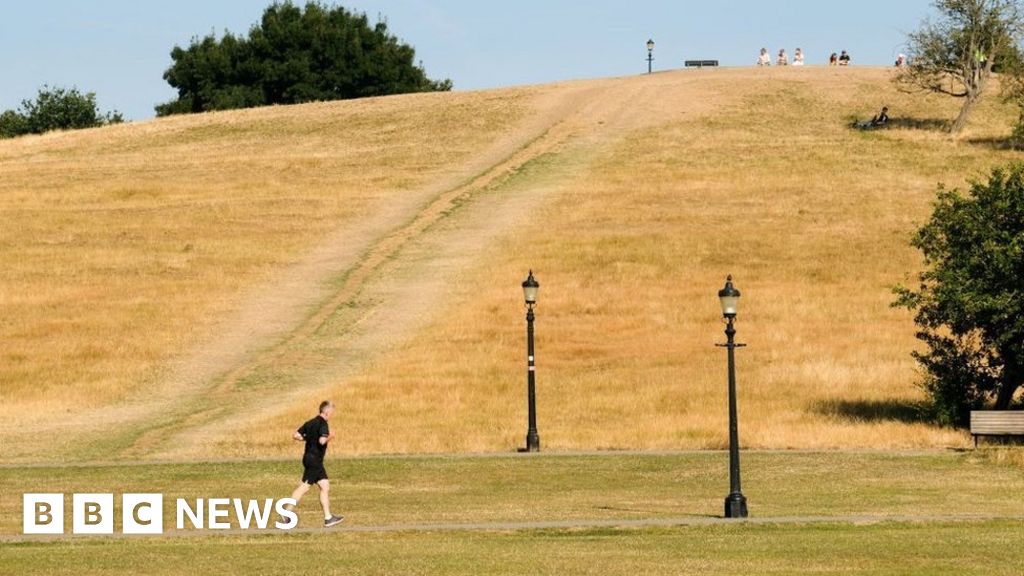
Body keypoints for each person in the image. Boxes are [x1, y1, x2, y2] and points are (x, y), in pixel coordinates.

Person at [284, 400, 345, 527]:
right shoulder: (323, 424)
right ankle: (286, 512)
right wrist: (331, 436)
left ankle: (328, 518)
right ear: (327, 412)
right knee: (304, 487)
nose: (332, 415)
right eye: (331, 413)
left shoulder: (310, 422)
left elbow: (295, 435)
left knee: (325, 486)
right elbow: (322, 441)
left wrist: (308, 438)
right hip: (315, 460)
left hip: (309, 458)